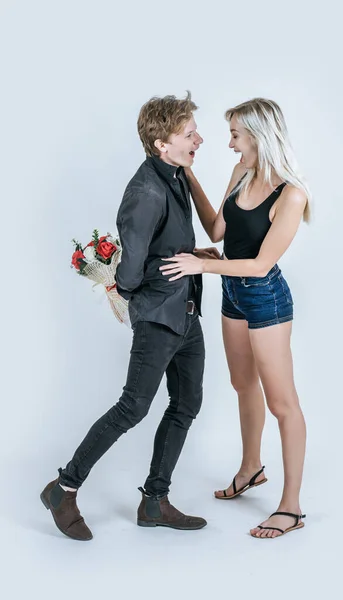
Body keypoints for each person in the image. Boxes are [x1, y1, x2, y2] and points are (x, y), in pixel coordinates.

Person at [40, 92, 213, 540]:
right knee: (132, 407)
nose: (199, 138)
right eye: (189, 133)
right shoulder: (145, 190)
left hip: (187, 316)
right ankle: (64, 487)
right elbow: (130, 274)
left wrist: (194, 254)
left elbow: (162, 246)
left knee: (187, 404)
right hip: (158, 317)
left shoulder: (175, 176)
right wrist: (164, 272)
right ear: (162, 143)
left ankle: (154, 500)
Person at [159, 98, 311, 539]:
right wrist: (185, 171)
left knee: (283, 404)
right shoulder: (241, 172)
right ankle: (251, 468)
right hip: (232, 292)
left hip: (265, 298)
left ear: (259, 137)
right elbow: (217, 231)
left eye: (235, 136)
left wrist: (201, 266)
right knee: (242, 385)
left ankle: (292, 507)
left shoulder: (291, 193)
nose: (228, 144)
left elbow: (261, 265)